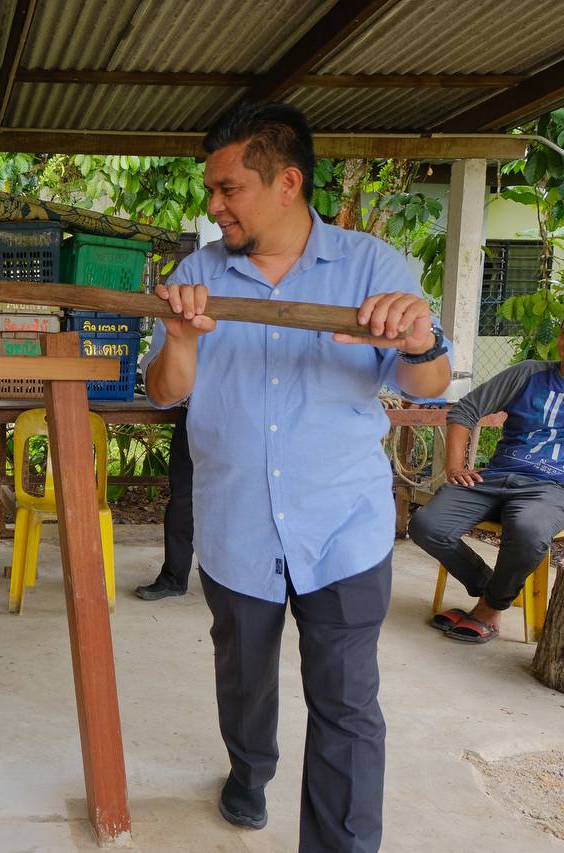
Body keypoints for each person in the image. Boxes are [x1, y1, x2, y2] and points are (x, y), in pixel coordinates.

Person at [141, 102, 450, 851]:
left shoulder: (373, 268)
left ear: (287, 182)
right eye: (210, 190)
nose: (214, 206)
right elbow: (165, 390)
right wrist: (180, 334)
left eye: (228, 189)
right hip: (237, 522)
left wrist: (419, 335)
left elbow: (429, 385)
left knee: (346, 706)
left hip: (341, 525)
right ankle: (250, 768)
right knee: (244, 678)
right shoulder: (197, 275)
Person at [409, 323, 564, 643]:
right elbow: (466, 410)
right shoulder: (528, 374)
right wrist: (455, 466)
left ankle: (490, 609)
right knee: (427, 525)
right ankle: (491, 588)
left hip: (551, 488)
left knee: (530, 530)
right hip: (494, 477)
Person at [134, 405, 193, 600]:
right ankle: (174, 579)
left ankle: (251, 580)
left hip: (247, 416)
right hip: (198, 413)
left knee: (248, 498)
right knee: (182, 499)